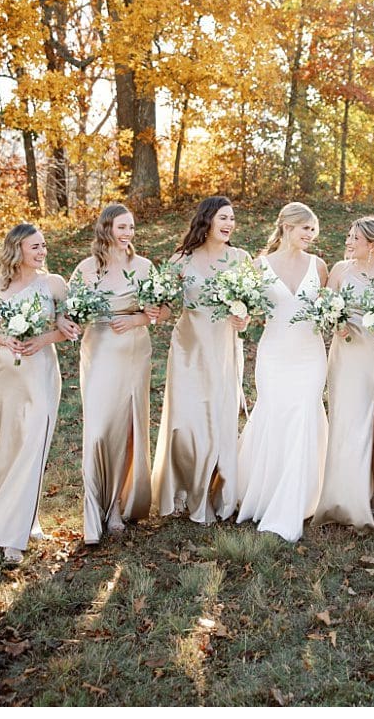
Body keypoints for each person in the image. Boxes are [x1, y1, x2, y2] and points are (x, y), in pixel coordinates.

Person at [0, 224, 80, 565]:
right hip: (7, 373)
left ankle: (14, 538)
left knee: (35, 444)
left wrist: (44, 339)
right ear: (17, 249)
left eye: (44, 246)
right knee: (8, 446)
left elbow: (69, 328)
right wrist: (8, 339)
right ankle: (18, 520)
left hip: (41, 373)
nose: (42, 251)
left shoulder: (54, 284)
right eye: (35, 246)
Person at [70, 204, 168, 546]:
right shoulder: (86, 269)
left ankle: (115, 507)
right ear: (106, 229)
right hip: (97, 352)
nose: (127, 233)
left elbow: (164, 309)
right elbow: (71, 313)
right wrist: (68, 323)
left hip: (133, 352)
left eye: (131, 227)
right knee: (98, 431)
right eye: (121, 227)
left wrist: (140, 319)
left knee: (127, 428)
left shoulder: (143, 267)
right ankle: (94, 505)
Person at [234, 202, 331, 543]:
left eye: (313, 229)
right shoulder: (259, 266)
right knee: (274, 414)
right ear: (287, 227)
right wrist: (240, 317)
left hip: (310, 354)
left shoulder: (319, 266)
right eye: (306, 228)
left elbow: (328, 309)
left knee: (305, 414)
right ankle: (264, 492)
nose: (310, 234)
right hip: (274, 352)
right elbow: (245, 309)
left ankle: (298, 501)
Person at [154, 196, 248, 524]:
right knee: (186, 422)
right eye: (223, 217)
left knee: (219, 421)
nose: (229, 224)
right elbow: (165, 306)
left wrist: (243, 318)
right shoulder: (181, 260)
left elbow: (247, 306)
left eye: (232, 219)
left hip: (223, 349)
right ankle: (183, 489)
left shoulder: (240, 259)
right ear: (207, 220)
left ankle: (215, 491)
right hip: (188, 348)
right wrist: (155, 311)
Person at [317, 216, 374, 527]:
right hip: (346, 353)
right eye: (348, 236)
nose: (348, 242)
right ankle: (344, 493)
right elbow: (323, 308)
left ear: (372, 245)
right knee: (346, 423)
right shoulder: (340, 270)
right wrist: (333, 322)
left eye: (355, 239)